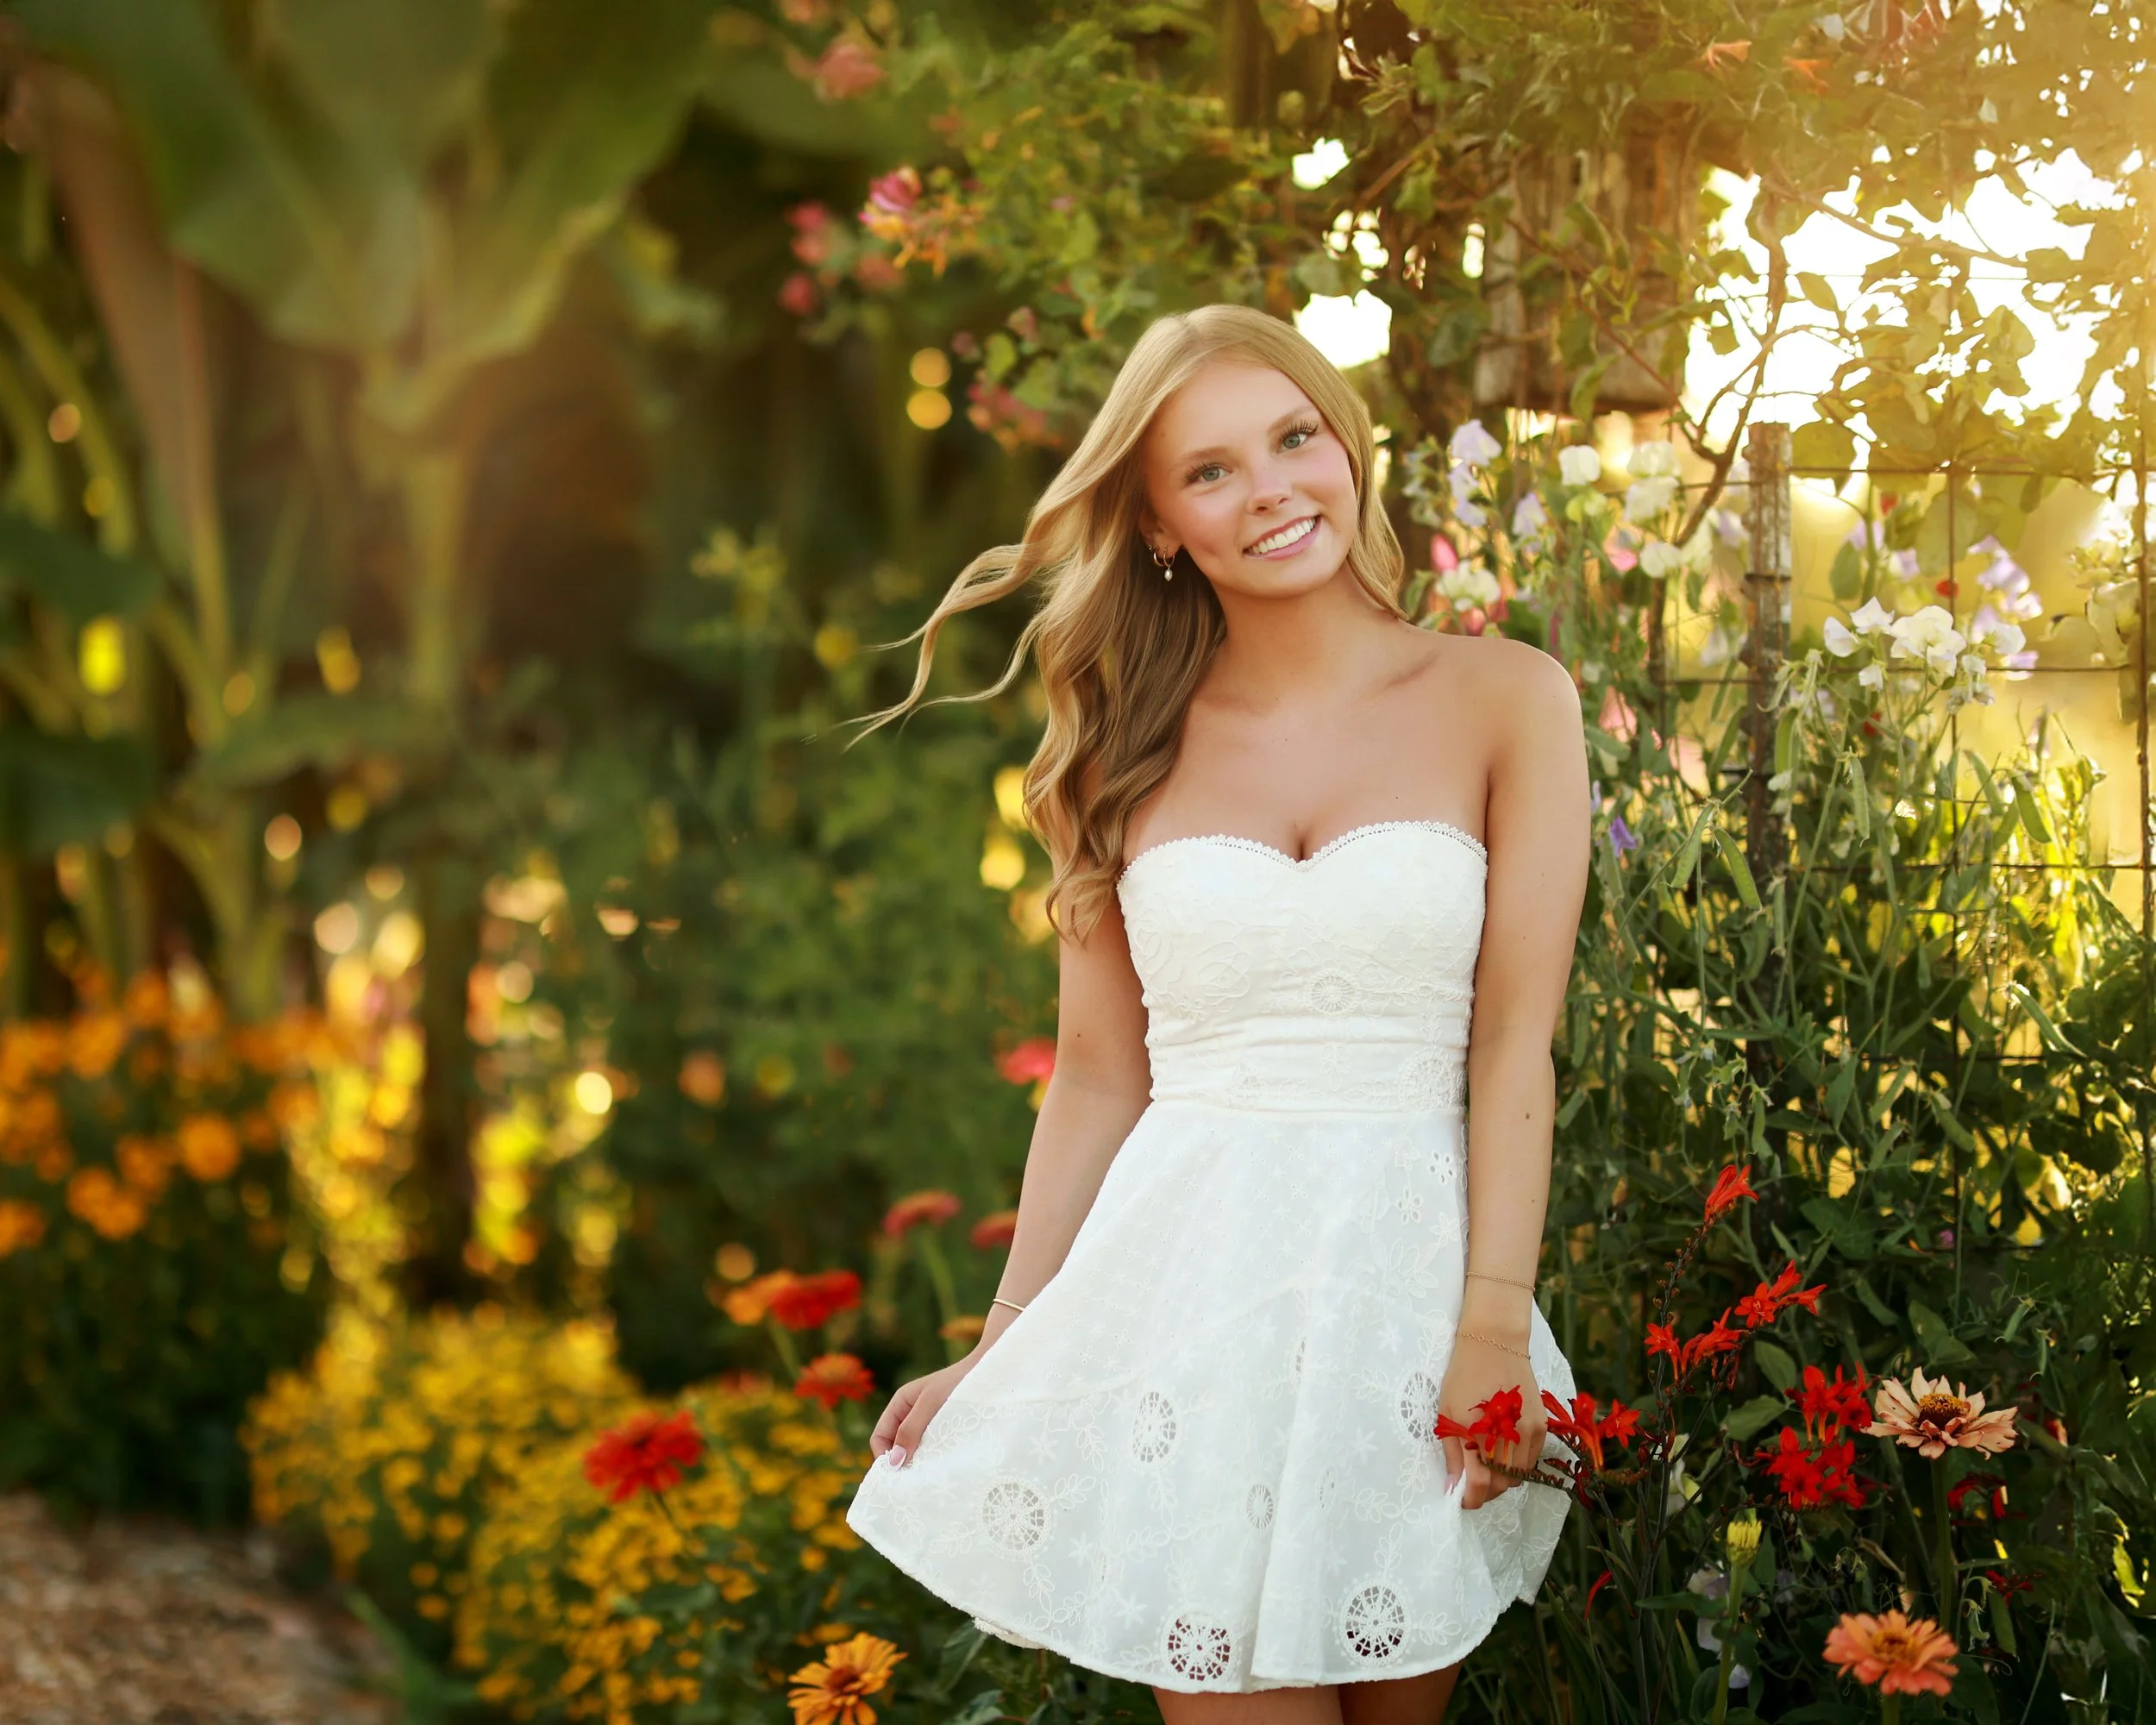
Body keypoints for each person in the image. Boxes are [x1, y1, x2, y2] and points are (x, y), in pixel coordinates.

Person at [846, 304, 1590, 1725]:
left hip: (1410, 1305)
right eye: (1211, 471)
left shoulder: (1508, 698)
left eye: (1294, 437)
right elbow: (1096, 1080)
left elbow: (1513, 1041)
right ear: (1157, 524)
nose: (1270, 491)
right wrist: (1005, 1342)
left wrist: (1493, 1322)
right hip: (1188, 1320)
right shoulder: (1113, 753)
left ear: (1346, 444)